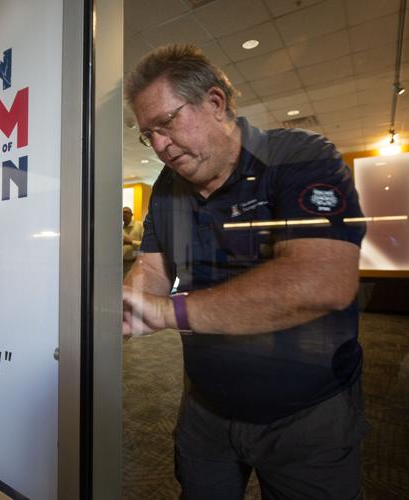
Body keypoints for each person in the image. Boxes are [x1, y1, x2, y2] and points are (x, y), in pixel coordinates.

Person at [122, 44, 370, 500]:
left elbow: (322, 282)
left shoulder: (298, 156)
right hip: (206, 407)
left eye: (167, 123)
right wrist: (125, 306)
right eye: (148, 134)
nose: (158, 145)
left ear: (215, 102)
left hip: (307, 414)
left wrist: (169, 312)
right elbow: (151, 268)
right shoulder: (167, 189)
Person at [123, 206, 144, 277]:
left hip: (136, 264)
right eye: (122, 212)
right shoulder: (120, 228)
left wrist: (131, 242)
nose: (123, 214)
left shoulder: (140, 225)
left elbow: (145, 245)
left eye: (126, 212)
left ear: (132, 214)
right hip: (123, 265)